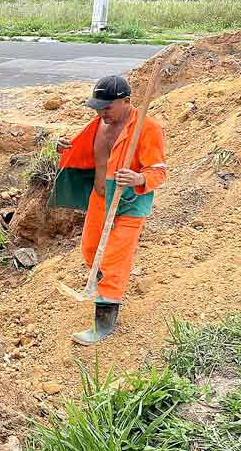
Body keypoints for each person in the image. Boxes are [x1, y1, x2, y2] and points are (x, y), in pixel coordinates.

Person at [51, 75, 167, 345]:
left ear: (126, 101)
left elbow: (159, 171)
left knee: (114, 259)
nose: (101, 113)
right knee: (91, 250)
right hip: (100, 198)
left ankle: (104, 321)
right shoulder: (99, 123)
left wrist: (139, 178)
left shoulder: (147, 128)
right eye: (98, 107)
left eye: (107, 107)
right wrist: (62, 147)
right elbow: (83, 150)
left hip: (129, 202)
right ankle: (109, 287)